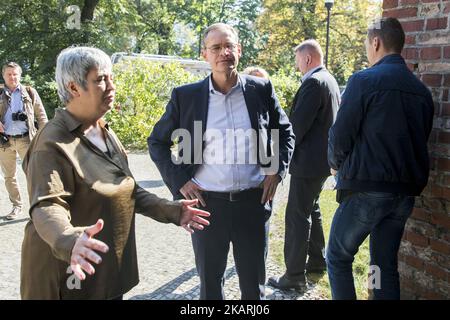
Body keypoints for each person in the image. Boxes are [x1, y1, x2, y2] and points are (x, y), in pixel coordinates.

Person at [20, 46, 210, 300]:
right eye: (100, 79)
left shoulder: (103, 130)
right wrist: (68, 239)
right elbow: (46, 205)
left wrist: (173, 211)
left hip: (105, 272)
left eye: (111, 78)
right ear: (73, 88)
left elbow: (127, 187)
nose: (111, 87)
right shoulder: (52, 143)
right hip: (66, 276)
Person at [148, 23, 295, 300]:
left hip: (253, 204)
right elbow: (156, 142)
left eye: (229, 46)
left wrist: (275, 169)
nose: (224, 52)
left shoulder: (261, 89)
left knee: (254, 288)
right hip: (207, 206)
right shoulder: (186, 96)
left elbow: (284, 131)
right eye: (216, 47)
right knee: (210, 287)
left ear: (239, 50)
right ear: (205, 54)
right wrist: (180, 180)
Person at [327, 17, 434, 300]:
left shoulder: (364, 80)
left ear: (375, 42)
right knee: (382, 265)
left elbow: (341, 135)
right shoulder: (422, 92)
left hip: (367, 191)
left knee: (338, 257)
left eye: (367, 44)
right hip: (403, 196)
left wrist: (335, 163)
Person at [268, 40, 340, 290]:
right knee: (313, 209)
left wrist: (278, 154)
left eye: (297, 59)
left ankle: (294, 275)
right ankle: (318, 262)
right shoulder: (329, 80)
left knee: (297, 215)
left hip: (307, 163)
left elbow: (296, 127)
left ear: (307, 59)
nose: (296, 64)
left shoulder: (313, 82)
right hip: (321, 162)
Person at [0, 62, 48, 220]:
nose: (12, 77)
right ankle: (17, 206)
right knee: (9, 176)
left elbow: (41, 116)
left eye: (15, 74)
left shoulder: (29, 92)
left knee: (33, 175)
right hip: (4, 142)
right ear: (3, 75)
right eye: (9, 74)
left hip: (26, 139)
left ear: (20, 75)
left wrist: (44, 138)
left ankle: (37, 207)